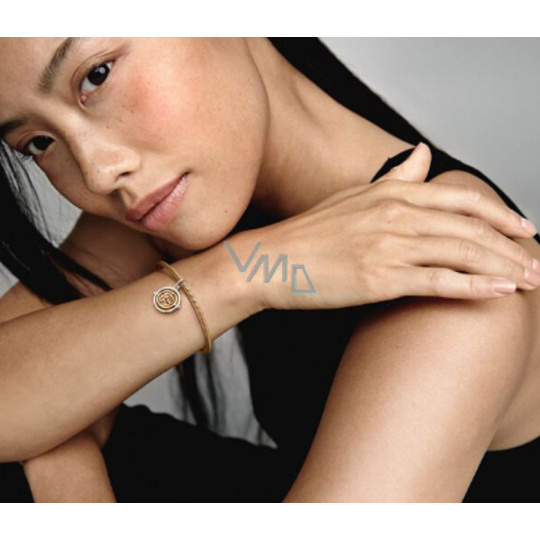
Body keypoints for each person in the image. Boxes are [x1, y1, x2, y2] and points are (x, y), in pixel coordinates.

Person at [0, 37, 539, 503]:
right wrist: (243, 275)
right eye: (38, 143)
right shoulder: (167, 200)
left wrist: (49, 431)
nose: (97, 172)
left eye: (97, 75)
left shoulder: (454, 267)